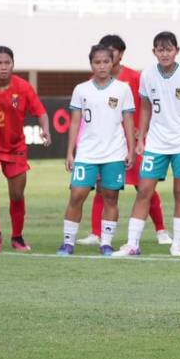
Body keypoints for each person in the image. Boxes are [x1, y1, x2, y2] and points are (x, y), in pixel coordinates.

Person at [112, 31, 180, 257]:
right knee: (143, 191)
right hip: (155, 144)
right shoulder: (147, 74)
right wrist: (140, 139)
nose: (165, 54)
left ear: (177, 51)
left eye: (169, 49)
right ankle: (132, 244)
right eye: (160, 50)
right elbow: (145, 107)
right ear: (154, 52)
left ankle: (177, 244)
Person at [76, 34, 172, 247]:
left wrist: (144, 131)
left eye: (112, 51)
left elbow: (149, 104)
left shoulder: (135, 78)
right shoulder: (93, 82)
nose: (107, 56)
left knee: (144, 186)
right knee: (102, 188)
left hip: (133, 141)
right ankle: (96, 233)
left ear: (120, 54)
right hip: (107, 145)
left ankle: (161, 230)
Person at [57, 44, 136, 256]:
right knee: (77, 195)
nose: (102, 66)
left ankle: (106, 243)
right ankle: (67, 243)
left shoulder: (123, 89)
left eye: (106, 62)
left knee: (111, 197)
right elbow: (75, 122)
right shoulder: (81, 89)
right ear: (91, 63)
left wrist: (131, 150)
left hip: (115, 153)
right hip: (87, 153)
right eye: (97, 62)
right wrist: (70, 152)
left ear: (113, 62)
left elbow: (128, 121)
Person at [0, 46, 51, 253]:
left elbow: (41, 113)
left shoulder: (23, 88)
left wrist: (46, 131)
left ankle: (17, 237)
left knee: (17, 195)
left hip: (15, 147)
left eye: (7, 63)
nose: (4, 67)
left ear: (13, 64)